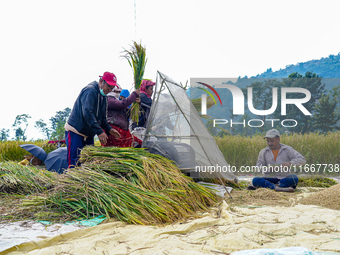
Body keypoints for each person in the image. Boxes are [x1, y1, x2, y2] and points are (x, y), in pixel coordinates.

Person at [65, 71, 120, 168]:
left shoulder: (104, 97)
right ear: (102, 81)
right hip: (76, 131)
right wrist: (99, 131)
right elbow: (87, 112)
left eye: (112, 88)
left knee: (88, 161)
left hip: (89, 133)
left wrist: (109, 129)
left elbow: (102, 118)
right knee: (75, 162)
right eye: (108, 87)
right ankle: (71, 181)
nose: (109, 90)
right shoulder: (90, 91)